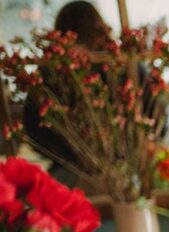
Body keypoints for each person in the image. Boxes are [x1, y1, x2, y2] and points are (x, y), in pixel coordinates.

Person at [23, 1, 112, 171]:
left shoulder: (51, 71)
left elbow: (33, 127)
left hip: (68, 167)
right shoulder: (117, 64)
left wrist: (67, 156)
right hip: (110, 166)